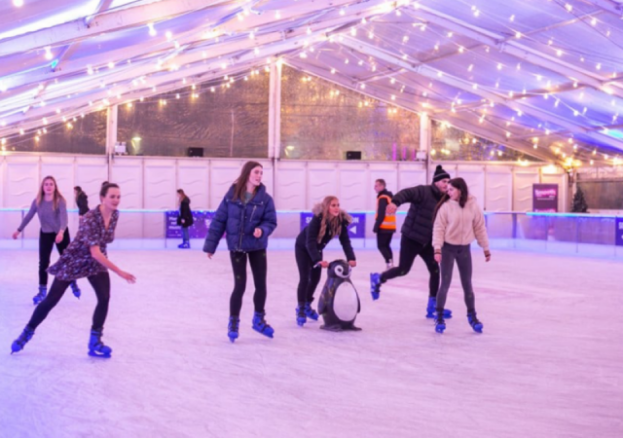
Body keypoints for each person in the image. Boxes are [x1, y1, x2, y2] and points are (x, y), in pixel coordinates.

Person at [11, 183, 137, 357]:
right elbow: (94, 252)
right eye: (112, 196)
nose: (116, 200)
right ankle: (26, 332)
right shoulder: (91, 217)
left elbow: (101, 245)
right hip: (76, 259)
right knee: (51, 300)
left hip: (96, 259)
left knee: (104, 297)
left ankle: (95, 340)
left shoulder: (115, 215)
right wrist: (120, 272)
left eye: (118, 197)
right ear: (102, 198)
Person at [203, 161, 277, 343]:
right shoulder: (232, 196)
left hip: (257, 246)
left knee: (261, 284)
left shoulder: (265, 199)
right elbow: (219, 220)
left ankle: (258, 319)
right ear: (247, 174)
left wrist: (262, 230)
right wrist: (210, 246)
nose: (259, 176)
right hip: (237, 247)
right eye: (256, 172)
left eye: (261, 172)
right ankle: (233, 322)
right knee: (240, 286)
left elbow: (271, 221)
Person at [369, 165, 453, 320]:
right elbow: (406, 193)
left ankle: (432, 307)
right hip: (412, 238)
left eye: (448, 181)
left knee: (435, 271)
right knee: (403, 270)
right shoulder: (423, 191)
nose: (446, 184)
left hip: (428, 241)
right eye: (443, 181)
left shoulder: (446, 199)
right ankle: (378, 278)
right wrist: (395, 203)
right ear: (435, 182)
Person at [432, 178, 490, 334]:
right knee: (445, 283)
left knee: (467, 284)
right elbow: (438, 229)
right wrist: (437, 249)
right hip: (447, 249)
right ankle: (438, 316)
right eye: (447, 189)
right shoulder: (445, 207)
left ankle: (472, 316)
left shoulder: (473, 206)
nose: (448, 192)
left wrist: (485, 247)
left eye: (451, 189)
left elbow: (479, 227)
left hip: (464, 250)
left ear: (460, 190)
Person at [13, 176, 81, 304]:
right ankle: (42, 290)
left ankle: (73, 282)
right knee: (43, 262)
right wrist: (19, 230)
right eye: (46, 184)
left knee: (67, 260)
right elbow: (29, 216)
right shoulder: (38, 201)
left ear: (55, 187)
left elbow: (64, 218)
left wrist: (61, 232)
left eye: (51, 184)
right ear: (42, 187)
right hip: (45, 233)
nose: (49, 186)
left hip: (61, 232)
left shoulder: (60, 200)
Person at [295, 196, 357, 327]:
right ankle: (300, 308)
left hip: (316, 249)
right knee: (305, 278)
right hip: (303, 247)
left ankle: (307, 304)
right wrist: (317, 260)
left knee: (315, 279)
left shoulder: (340, 221)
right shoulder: (317, 219)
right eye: (333, 205)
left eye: (338, 205)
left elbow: (345, 241)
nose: (336, 208)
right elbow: (310, 241)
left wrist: (351, 257)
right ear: (327, 207)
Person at [373, 179, 396, 269]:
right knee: (386, 245)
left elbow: (381, 213)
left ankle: (389, 262)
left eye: (376, 186)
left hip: (384, 226)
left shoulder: (382, 197)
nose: (374, 188)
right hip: (391, 226)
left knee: (381, 245)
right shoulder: (389, 197)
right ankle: (390, 262)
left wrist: (376, 226)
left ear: (382, 186)